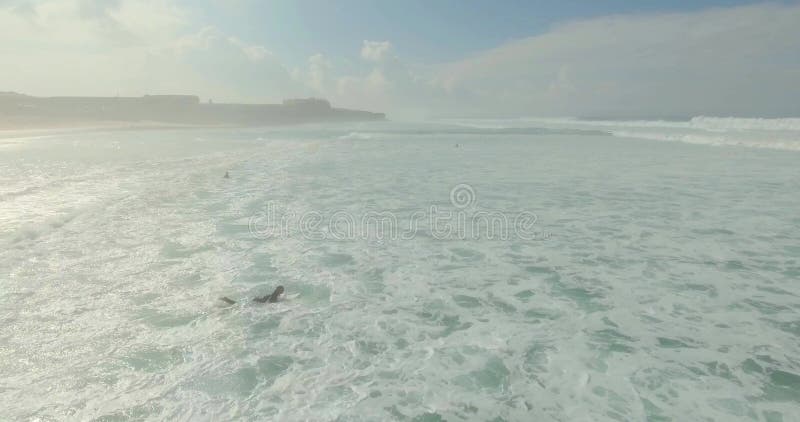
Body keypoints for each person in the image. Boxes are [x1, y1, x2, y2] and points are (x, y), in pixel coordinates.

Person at [219, 286, 284, 305]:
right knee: (238, 305)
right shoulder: (274, 296)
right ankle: (226, 299)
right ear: (279, 291)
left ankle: (226, 299)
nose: (282, 291)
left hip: (256, 301)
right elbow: (270, 302)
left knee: (238, 305)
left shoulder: (273, 295)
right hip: (256, 303)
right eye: (281, 290)